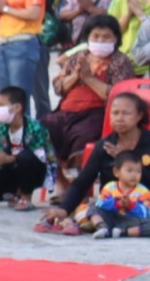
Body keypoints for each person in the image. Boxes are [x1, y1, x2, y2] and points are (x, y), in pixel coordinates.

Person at [38, 91, 149, 235]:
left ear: (139, 115)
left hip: (144, 209)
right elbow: (83, 181)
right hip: (112, 210)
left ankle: (118, 230)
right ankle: (112, 227)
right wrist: (64, 208)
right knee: (88, 210)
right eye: (115, 113)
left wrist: (124, 159)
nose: (119, 118)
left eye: (126, 113)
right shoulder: (105, 145)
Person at [48, 14, 139, 167]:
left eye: (106, 37)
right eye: (96, 36)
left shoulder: (120, 61)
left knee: (83, 135)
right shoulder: (78, 56)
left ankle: (79, 174)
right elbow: (58, 87)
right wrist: (75, 76)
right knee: (44, 127)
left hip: (97, 113)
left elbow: (118, 95)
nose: (100, 41)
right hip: (66, 111)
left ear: (116, 39)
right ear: (87, 37)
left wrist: (89, 79)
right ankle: (57, 176)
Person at [0, 84, 50, 206]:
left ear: (17, 107)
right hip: (12, 169)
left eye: (2, 105)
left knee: (25, 157)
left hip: (35, 170)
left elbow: (40, 157)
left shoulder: (35, 128)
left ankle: (26, 197)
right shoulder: (3, 126)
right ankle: (13, 191)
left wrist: (10, 159)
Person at [25, 0, 61, 120]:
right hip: (17, 32)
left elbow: (48, 3)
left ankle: (45, 127)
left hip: (40, 32)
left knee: (40, 88)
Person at [88, 150, 150, 237]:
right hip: (112, 218)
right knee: (93, 208)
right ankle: (102, 227)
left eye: (138, 171)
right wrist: (117, 204)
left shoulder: (143, 191)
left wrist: (131, 205)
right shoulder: (109, 187)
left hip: (132, 221)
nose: (134, 175)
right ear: (116, 172)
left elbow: (147, 212)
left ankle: (123, 232)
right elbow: (101, 203)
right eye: (129, 171)